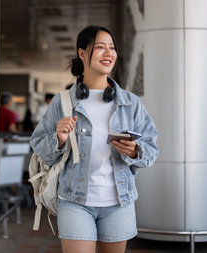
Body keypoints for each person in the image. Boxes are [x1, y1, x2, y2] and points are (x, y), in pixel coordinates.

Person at [30, 26, 159, 253]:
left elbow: (151, 149)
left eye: (112, 48)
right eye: (100, 47)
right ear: (82, 53)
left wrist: (134, 151)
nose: (108, 53)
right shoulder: (62, 103)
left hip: (119, 202)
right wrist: (58, 139)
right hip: (74, 201)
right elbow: (39, 145)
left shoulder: (130, 103)